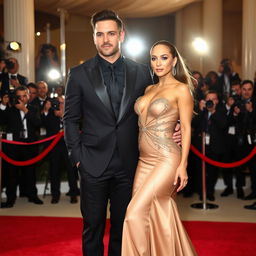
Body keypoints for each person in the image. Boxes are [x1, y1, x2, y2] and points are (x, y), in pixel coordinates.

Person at [63, 10, 181, 256]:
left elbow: (159, 107)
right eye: (100, 34)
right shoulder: (78, 74)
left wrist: (172, 128)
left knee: (124, 227)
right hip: (92, 163)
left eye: (111, 33)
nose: (105, 39)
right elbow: (70, 119)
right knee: (92, 227)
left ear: (122, 35)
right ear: (94, 37)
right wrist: (78, 157)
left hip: (130, 165)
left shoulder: (142, 72)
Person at [121, 41, 196, 255]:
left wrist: (183, 165)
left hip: (167, 159)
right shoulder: (149, 88)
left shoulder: (181, 90)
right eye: (154, 58)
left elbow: (187, 129)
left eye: (164, 57)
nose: (158, 62)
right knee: (152, 215)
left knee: (133, 214)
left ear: (173, 60)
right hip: (143, 161)